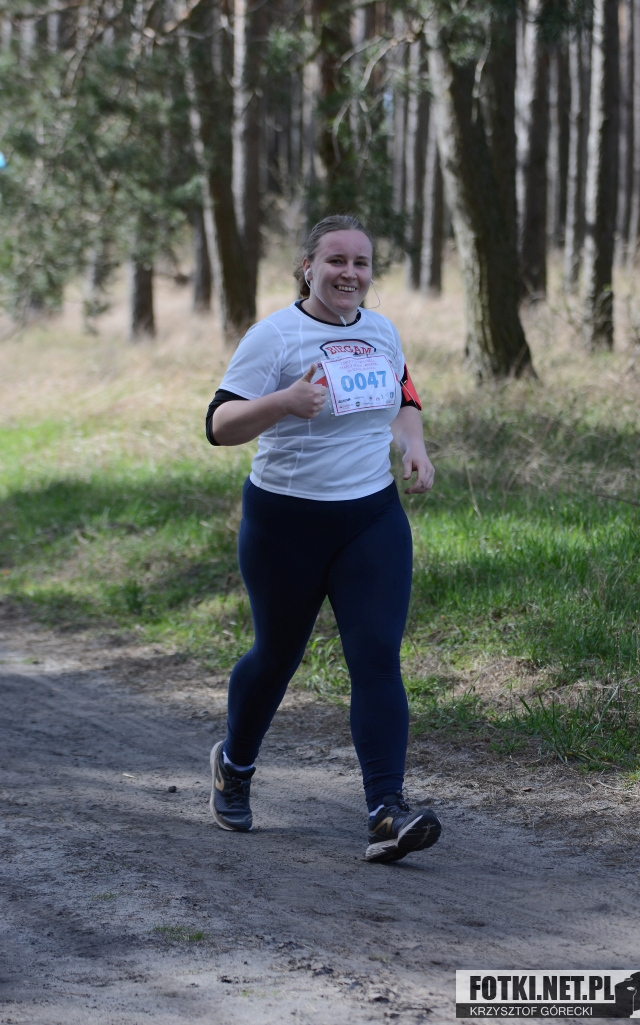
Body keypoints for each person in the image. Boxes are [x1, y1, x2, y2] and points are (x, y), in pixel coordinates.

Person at [205, 214, 442, 864]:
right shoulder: (274, 335)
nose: (349, 273)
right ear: (307, 267)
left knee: (376, 657)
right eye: (335, 260)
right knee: (276, 656)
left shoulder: (380, 330)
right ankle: (234, 765)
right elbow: (220, 424)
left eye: (360, 262)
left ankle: (385, 811)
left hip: (370, 517)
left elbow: (403, 395)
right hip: (286, 521)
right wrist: (281, 403)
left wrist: (413, 446)